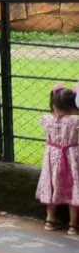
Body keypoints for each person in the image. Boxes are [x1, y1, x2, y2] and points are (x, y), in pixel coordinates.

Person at [37, 86, 79, 235]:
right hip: (71, 157)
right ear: (73, 106)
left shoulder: (46, 120)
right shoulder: (75, 122)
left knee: (52, 185)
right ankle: (73, 225)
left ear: (54, 104)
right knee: (74, 186)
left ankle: (50, 220)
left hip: (51, 158)